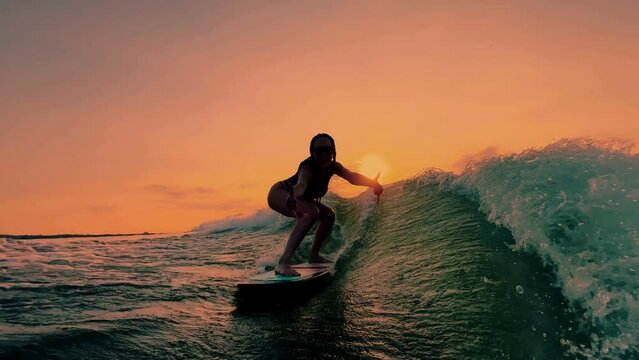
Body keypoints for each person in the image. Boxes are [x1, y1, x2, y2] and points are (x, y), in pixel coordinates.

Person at [267, 133, 384, 276]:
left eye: (328, 151)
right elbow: (301, 185)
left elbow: (352, 177)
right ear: (312, 154)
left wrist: (373, 183)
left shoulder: (334, 167)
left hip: (297, 196)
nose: (324, 155)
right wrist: (293, 197)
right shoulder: (307, 168)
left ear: (333, 152)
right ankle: (283, 263)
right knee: (311, 213)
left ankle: (314, 255)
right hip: (280, 193)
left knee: (329, 215)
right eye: (319, 151)